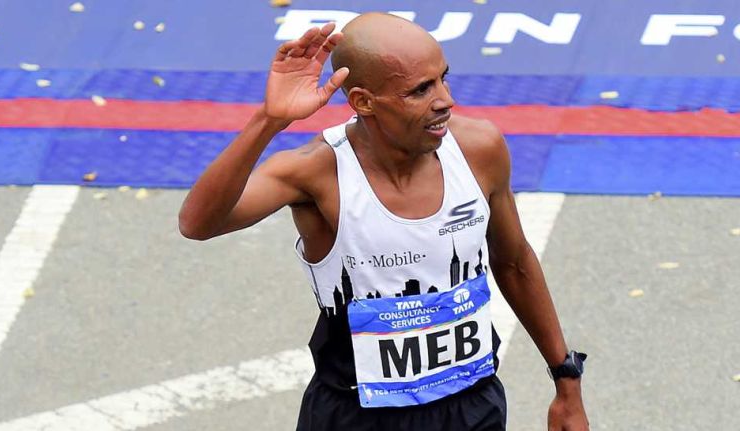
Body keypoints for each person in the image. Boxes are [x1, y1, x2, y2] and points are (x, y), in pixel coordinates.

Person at [179, 12, 589, 431]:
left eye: (444, 79)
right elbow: (198, 223)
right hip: (356, 417)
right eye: (420, 90)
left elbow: (515, 262)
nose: (445, 100)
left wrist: (567, 381)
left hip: (471, 407)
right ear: (363, 102)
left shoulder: (479, 148)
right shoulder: (316, 172)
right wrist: (271, 120)